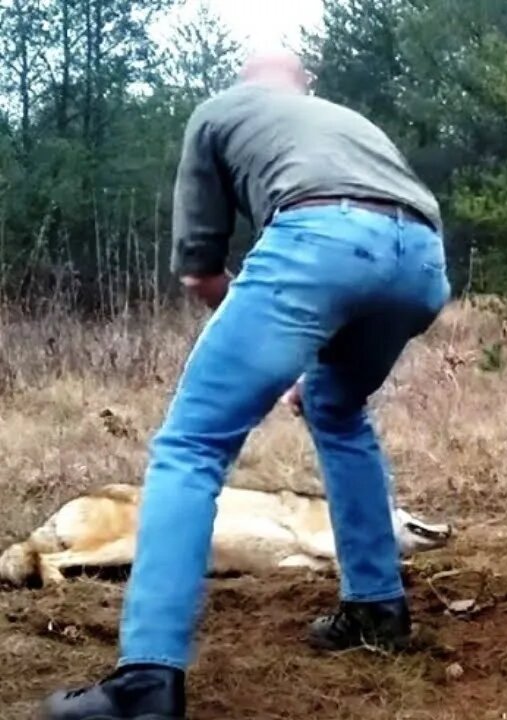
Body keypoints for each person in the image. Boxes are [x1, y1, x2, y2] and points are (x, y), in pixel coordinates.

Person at [40, 50, 450, 720]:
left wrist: (277, 353)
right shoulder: (344, 120)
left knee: (191, 446)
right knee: (338, 409)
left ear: (243, 78)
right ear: (304, 83)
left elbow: (200, 274)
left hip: (322, 237)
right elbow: (379, 230)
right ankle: (376, 607)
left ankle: (145, 680)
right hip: (423, 262)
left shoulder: (221, 111)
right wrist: (297, 362)